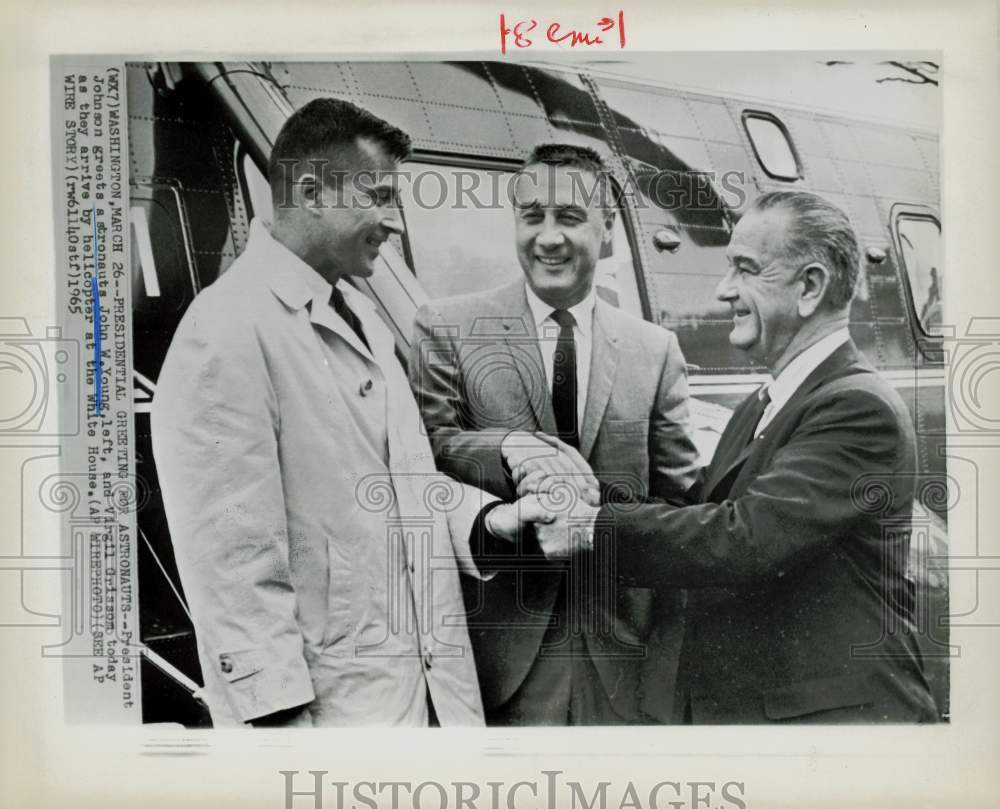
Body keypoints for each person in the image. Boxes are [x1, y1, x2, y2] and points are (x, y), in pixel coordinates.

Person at [151, 98, 527, 727]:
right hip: (333, 730)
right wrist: (282, 736)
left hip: (423, 705)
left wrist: (490, 523)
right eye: (379, 196)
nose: (394, 222)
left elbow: (395, 489)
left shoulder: (362, 318)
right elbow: (233, 561)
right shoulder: (228, 328)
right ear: (311, 191)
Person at [531, 190, 939, 723]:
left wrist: (591, 527)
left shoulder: (856, 406)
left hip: (835, 729)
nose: (724, 291)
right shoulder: (769, 401)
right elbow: (701, 511)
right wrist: (584, 495)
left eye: (745, 270)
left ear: (810, 287)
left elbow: (743, 538)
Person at [409, 144, 700, 725]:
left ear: (607, 226)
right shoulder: (444, 328)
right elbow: (425, 452)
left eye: (569, 218)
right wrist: (509, 448)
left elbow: (680, 504)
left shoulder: (655, 349)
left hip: (625, 660)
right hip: (499, 663)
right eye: (532, 216)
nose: (548, 238)